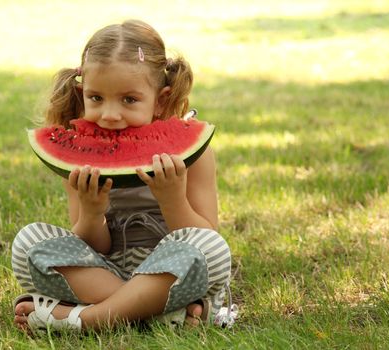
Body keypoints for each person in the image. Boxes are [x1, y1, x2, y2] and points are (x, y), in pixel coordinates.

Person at [12, 19, 232, 332]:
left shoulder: (194, 155)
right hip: (104, 271)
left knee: (211, 249)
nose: (110, 115)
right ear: (82, 92)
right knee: (28, 242)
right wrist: (91, 213)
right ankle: (159, 314)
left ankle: (87, 320)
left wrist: (172, 199)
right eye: (96, 98)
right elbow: (94, 246)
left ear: (162, 99)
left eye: (129, 100)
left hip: (171, 270)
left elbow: (207, 234)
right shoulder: (80, 157)